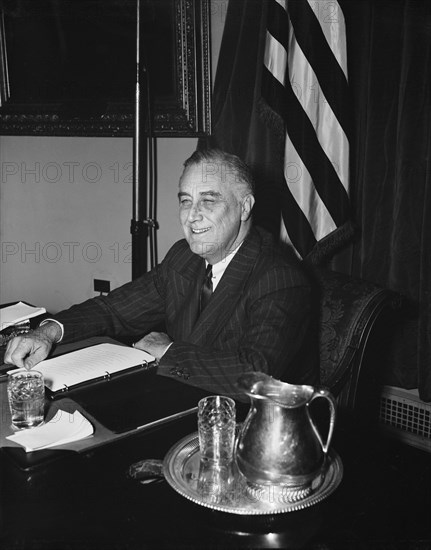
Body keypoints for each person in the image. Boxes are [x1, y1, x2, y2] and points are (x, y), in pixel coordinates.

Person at [5, 149, 318, 397]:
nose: (193, 216)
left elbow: (257, 377)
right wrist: (46, 332)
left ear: (245, 207)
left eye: (209, 201)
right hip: (179, 399)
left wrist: (167, 351)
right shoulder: (184, 257)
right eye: (185, 201)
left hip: (245, 428)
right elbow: (115, 309)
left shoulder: (279, 279)